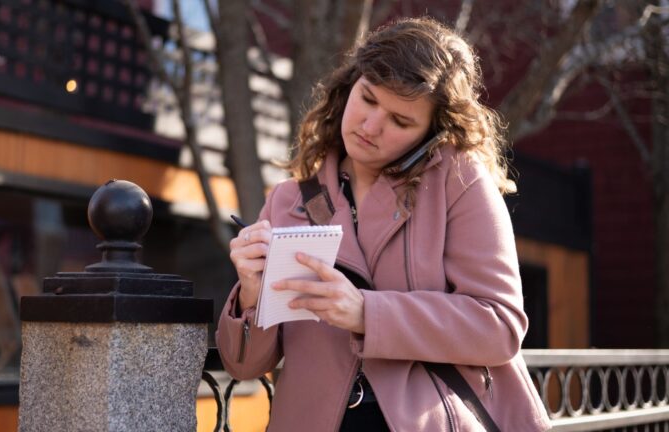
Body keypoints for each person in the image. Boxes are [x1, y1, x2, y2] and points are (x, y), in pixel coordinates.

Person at [216, 16, 551, 432]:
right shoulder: (289, 200)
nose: (371, 127)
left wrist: (366, 313)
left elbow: (499, 326)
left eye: (401, 121)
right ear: (350, 85)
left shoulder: (458, 180)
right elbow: (244, 365)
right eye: (369, 99)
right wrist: (251, 293)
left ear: (432, 131)